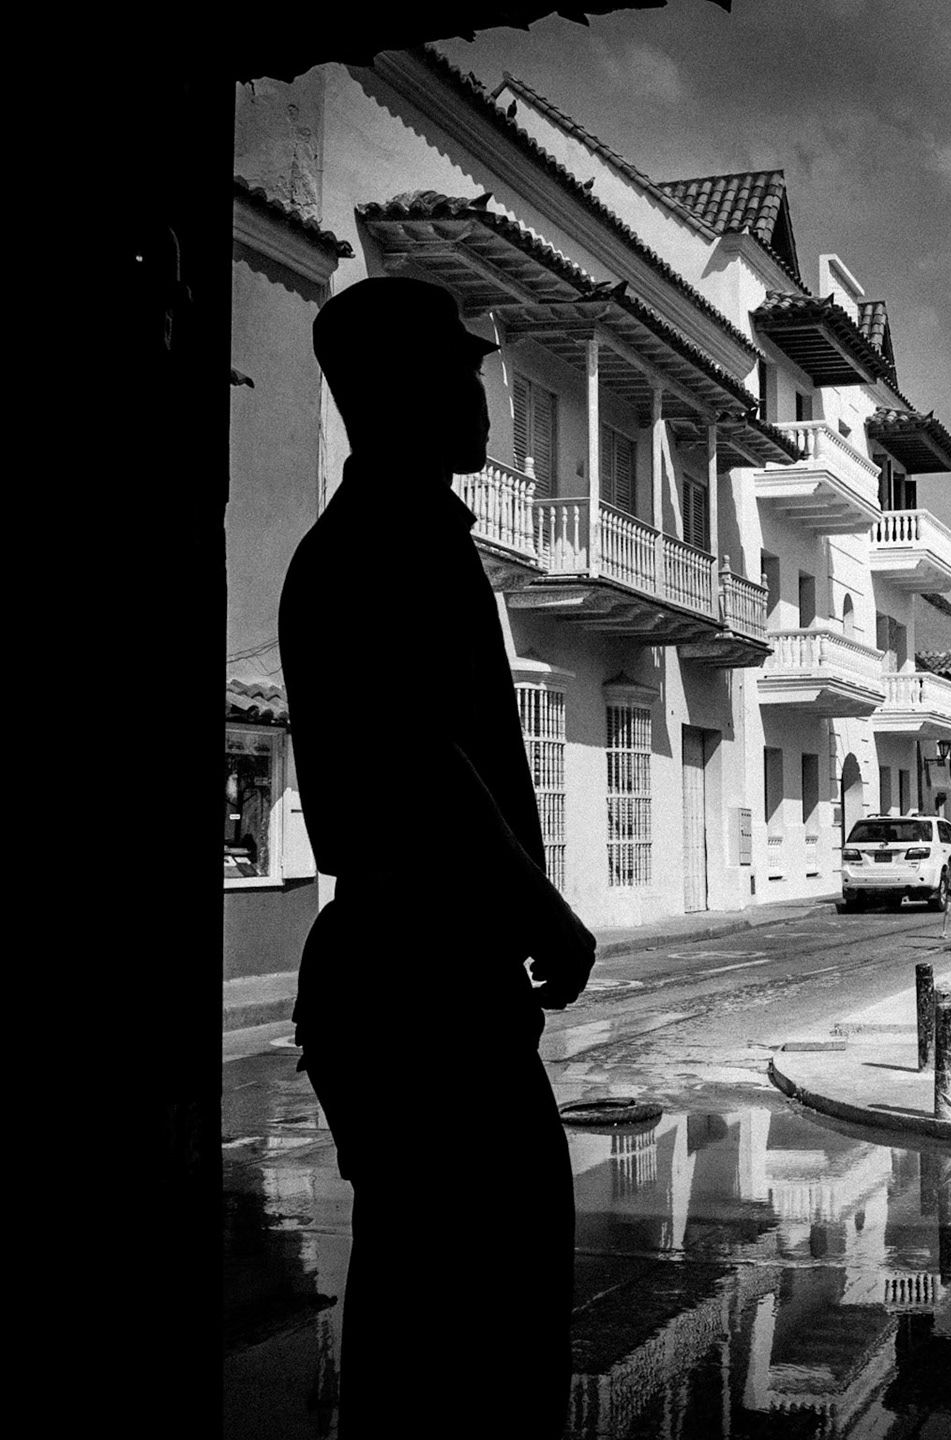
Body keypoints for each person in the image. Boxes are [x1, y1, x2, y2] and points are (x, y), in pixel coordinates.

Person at [280, 277, 596, 1437]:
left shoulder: (404, 535)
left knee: (447, 1290)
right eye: (463, 376)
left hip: (421, 963)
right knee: (469, 1302)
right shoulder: (381, 546)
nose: (485, 400)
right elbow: (429, 761)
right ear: (403, 390)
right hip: (412, 969)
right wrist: (544, 911)